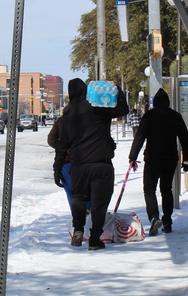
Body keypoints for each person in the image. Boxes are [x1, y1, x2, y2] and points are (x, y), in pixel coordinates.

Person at [54, 78, 129, 250]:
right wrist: (116, 89)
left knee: (79, 198)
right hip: (102, 165)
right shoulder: (99, 109)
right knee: (99, 203)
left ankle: (79, 229)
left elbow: (61, 147)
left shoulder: (66, 118)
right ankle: (95, 238)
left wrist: (57, 170)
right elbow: (123, 109)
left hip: (79, 166)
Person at [128, 88, 188, 236]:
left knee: (149, 189)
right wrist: (186, 159)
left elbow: (140, 137)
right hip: (170, 158)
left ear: (155, 103)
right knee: (166, 189)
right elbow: (185, 139)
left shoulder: (149, 116)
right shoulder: (175, 116)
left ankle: (154, 217)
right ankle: (168, 221)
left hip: (152, 158)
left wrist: (133, 156)